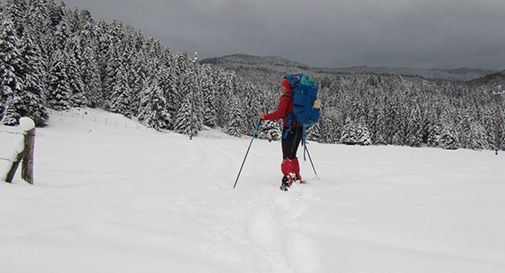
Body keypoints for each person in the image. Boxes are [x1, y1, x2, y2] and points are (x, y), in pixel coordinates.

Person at [259, 79, 321, 190]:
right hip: (299, 129)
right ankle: (296, 176)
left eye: (283, 86)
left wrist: (265, 117)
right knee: (292, 154)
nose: (281, 88)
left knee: (287, 155)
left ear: (286, 87)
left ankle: (287, 178)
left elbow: (280, 113)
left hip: (289, 129)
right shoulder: (297, 98)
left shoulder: (285, 98)